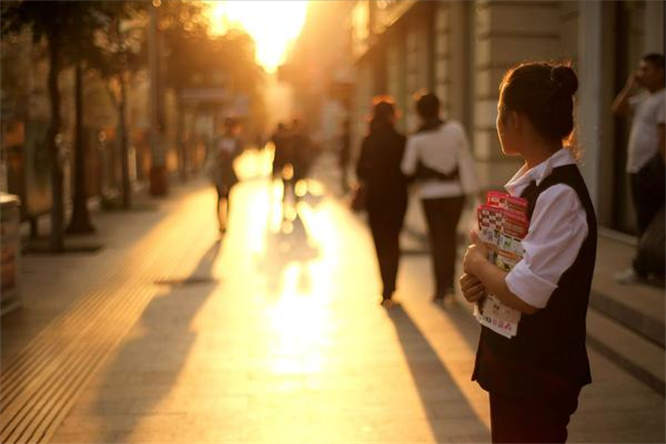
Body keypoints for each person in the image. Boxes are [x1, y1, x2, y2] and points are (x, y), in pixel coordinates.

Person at [460, 62, 597, 443]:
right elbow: (505, 271)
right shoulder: (529, 185)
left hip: (539, 373)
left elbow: (526, 293)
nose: (498, 121)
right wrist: (477, 283)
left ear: (514, 119)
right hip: (515, 369)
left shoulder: (559, 194)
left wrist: (474, 262)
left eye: (500, 113)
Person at [401, 92, 479, 302]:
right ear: (439, 108)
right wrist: (471, 191)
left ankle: (439, 289)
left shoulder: (416, 137)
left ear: (418, 113)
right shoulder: (455, 130)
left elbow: (407, 168)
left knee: (437, 241)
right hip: (454, 192)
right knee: (450, 238)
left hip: (430, 194)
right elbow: (465, 160)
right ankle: (452, 288)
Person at [611, 53, 665, 284]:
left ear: (661, 71)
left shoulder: (664, 98)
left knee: (648, 221)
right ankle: (648, 268)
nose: (641, 74)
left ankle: (643, 269)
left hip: (652, 170)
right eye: (640, 69)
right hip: (637, 169)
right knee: (644, 220)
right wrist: (630, 86)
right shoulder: (644, 98)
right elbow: (617, 109)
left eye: (646, 70)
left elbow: (664, 137)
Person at [356, 96, 408, 304]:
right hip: (397, 198)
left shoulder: (368, 141)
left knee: (380, 243)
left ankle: (385, 290)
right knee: (393, 242)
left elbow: (359, 171)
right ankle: (391, 287)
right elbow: (408, 171)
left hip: (375, 199)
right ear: (392, 116)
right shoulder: (402, 140)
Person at [207, 117, 243, 234]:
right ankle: (220, 223)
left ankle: (225, 221)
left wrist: (230, 155)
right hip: (218, 171)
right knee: (219, 198)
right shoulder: (218, 139)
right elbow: (211, 153)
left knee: (227, 198)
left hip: (229, 172)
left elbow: (239, 152)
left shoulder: (236, 140)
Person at [339, 119, 352, 194]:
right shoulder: (347, 135)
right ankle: (344, 187)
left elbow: (345, 148)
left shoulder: (346, 136)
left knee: (344, 173)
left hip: (344, 157)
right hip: (345, 157)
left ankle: (344, 188)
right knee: (344, 173)